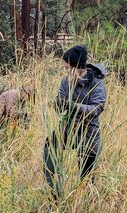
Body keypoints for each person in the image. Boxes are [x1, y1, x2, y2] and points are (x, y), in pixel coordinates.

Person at [43, 45, 107, 198]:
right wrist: (58, 104)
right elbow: (61, 103)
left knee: (87, 177)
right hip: (68, 127)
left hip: (88, 132)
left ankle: (87, 204)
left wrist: (73, 106)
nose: (64, 68)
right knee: (49, 146)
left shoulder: (96, 83)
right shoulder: (66, 81)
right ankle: (55, 193)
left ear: (76, 67)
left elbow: (96, 109)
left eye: (67, 65)